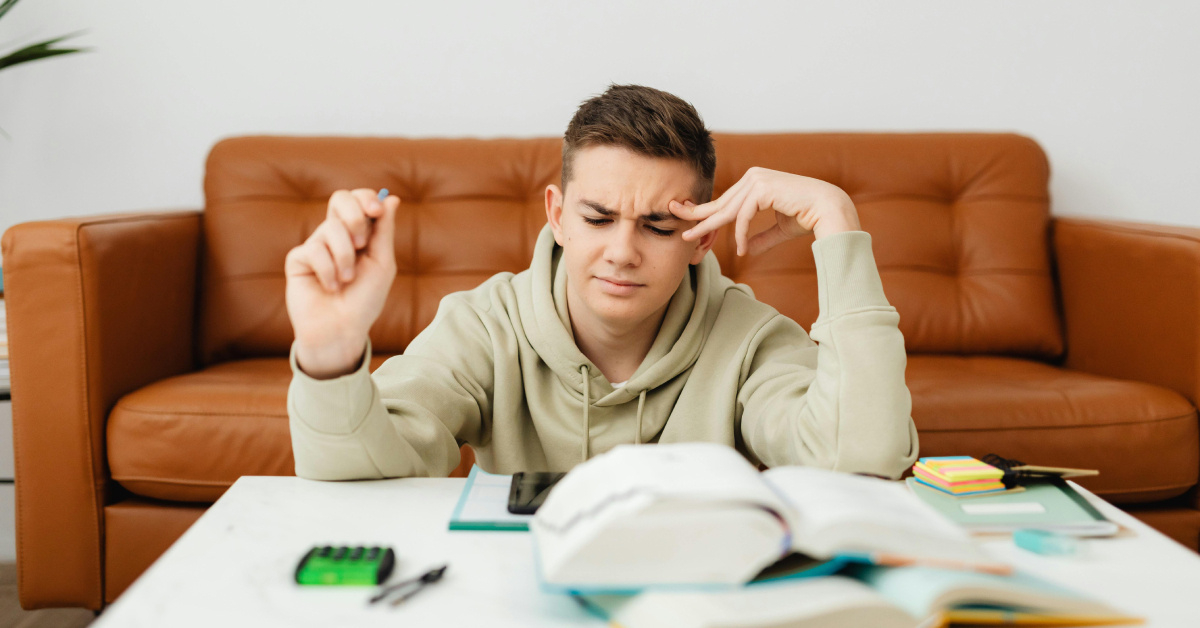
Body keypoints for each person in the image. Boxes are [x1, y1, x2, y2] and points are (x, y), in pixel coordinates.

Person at [284, 84, 918, 481]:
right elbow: (361, 477)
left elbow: (858, 460)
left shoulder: (749, 338)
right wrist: (330, 353)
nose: (622, 253)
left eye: (657, 227)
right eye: (597, 217)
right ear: (557, 215)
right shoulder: (482, 324)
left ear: (700, 237)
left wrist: (837, 224)